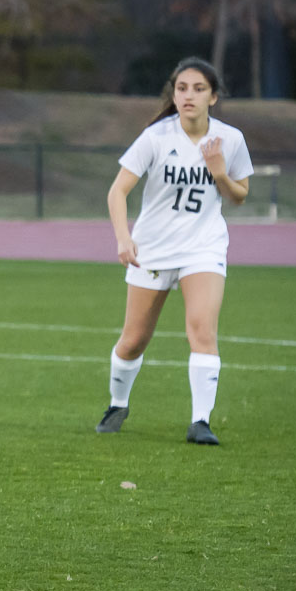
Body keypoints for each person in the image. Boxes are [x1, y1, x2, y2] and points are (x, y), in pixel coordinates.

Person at [96, 57, 253, 445]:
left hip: (203, 248)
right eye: (182, 88)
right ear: (174, 93)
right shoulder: (156, 137)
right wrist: (123, 237)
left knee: (202, 331)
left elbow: (240, 196)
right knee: (133, 340)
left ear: (213, 97)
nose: (189, 96)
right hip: (153, 249)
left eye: (199, 89)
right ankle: (118, 403)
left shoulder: (230, 140)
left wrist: (218, 171)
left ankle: (201, 421)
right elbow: (117, 191)